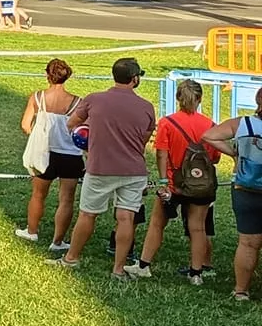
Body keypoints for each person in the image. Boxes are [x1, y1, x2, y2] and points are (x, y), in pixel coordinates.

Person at [56, 58, 157, 278]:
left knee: (87, 214)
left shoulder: (94, 100)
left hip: (100, 167)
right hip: (133, 170)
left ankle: (71, 258)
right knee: (125, 218)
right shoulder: (147, 107)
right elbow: (143, 140)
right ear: (135, 79)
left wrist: (88, 143)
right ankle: (118, 269)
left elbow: (72, 124)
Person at [132, 79, 220, 282]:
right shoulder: (210, 125)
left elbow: (162, 154)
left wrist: (163, 182)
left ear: (178, 98)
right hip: (201, 186)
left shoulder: (167, 123)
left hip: (173, 182)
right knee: (198, 228)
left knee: (157, 224)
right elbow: (214, 158)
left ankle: (144, 265)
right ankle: (196, 273)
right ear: (200, 99)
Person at [17, 59, 82, 251]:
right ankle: (58, 241)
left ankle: (32, 231)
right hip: (70, 155)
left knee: (38, 195)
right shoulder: (78, 102)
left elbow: (25, 124)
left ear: (48, 75)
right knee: (67, 199)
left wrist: (35, 135)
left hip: (43, 153)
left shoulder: (37, 98)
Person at [201, 109, 262, 301]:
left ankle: (241, 290)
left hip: (246, 188)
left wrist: (234, 153)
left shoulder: (243, 124)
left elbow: (209, 135)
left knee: (248, 243)